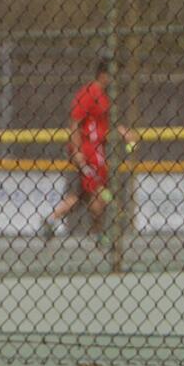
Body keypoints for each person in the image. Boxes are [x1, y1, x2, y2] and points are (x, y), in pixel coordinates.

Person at [42, 60, 138, 240]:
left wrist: (123, 131)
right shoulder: (88, 93)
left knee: (81, 195)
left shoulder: (103, 96)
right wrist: (77, 151)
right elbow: (75, 123)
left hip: (97, 150)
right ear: (103, 74)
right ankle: (99, 232)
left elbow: (105, 124)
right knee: (98, 191)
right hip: (89, 152)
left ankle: (52, 220)